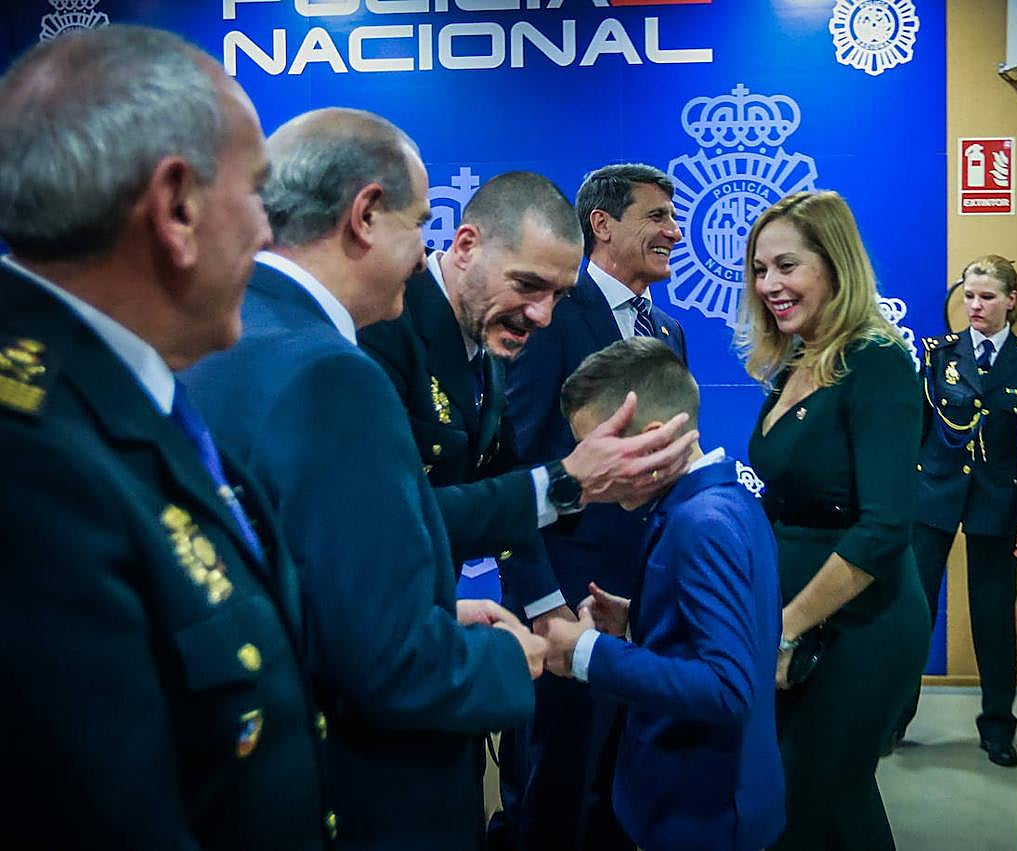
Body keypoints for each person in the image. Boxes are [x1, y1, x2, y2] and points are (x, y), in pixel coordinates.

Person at [182, 109, 695, 851]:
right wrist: (511, 650)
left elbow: (324, 553)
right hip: (357, 737)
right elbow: (391, 539)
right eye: (419, 225)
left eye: (557, 294)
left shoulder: (270, 332)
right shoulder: (348, 357)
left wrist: (511, 608)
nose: (544, 315)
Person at [0, 26, 332, 849]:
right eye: (258, 195)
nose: (267, 232)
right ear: (177, 208)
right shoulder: (29, 467)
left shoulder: (116, 397)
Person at [502, 162, 687, 850]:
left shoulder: (667, 330)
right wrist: (540, 601)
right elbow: (515, 466)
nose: (673, 230)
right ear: (602, 225)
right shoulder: (550, 317)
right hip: (566, 602)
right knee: (558, 786)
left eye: (673, 216)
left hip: (643, 608)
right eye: (656, 216)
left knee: (625, 784)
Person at [542, 337, 787, 851]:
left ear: (653, 439)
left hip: (700, 815)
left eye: (603, 452)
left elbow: (729, 687)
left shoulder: (703, 524)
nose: (594, 481)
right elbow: (731, 633)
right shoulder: (720, 502)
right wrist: (637, 619)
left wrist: (587, 653)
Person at [740, 190, 929, 850]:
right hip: (794, 616)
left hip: (860, 627)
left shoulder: (877, 364)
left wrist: (790, 625)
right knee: (807, 800)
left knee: (821, 794)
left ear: (835, 265)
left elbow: (884, 527)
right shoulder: (799, 355)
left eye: (787, 266)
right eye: (760, 269)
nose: (769, 285)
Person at [358, 171, 584, 626]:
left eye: (559, 295)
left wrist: (544, 605)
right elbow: (384, 516)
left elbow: (498, 477)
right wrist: (570, 480)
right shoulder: (384, 322)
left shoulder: (488, 326)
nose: (543, 315)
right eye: (527, 285)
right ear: (465, 247)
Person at [896, 255, 1017, 766]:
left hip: (998, 502)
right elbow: (918, 430)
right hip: (935, 497)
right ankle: (893, 721)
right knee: (913, 613)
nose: (975, 306)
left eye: (987, 297)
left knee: (993, 617)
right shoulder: (939, 354)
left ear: (1011, 300)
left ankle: (997, 728)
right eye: (969, 296)